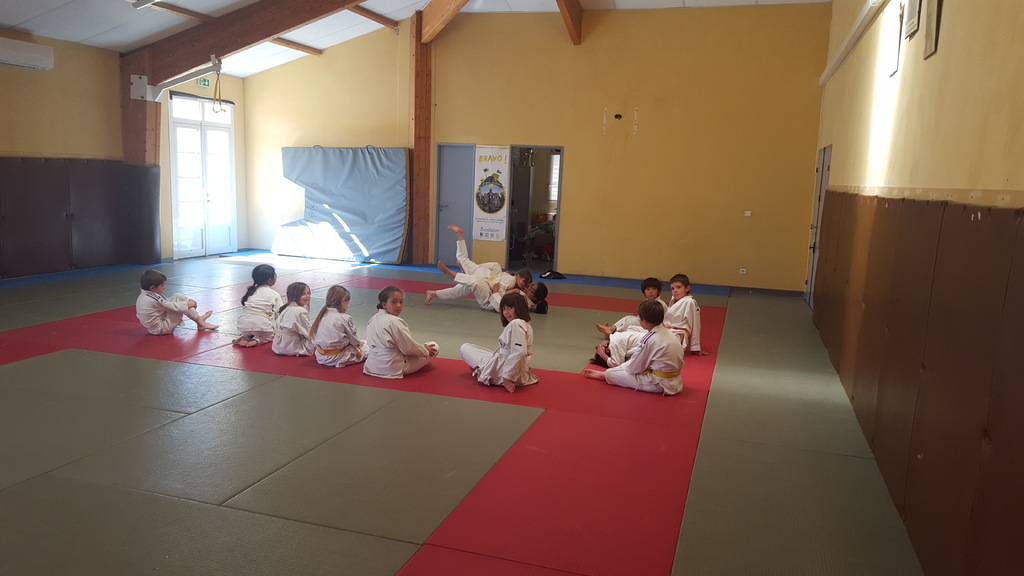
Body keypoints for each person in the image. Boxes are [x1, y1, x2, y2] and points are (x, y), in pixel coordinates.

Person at [583, 300, 683, 395]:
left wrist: (617, 370)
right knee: (625, 365)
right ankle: (609, 373)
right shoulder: (670, 333)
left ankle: (605, 375)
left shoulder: (649, 339)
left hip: (659, 384)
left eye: (639, 318)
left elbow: (634, 368)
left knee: (612, 374)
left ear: (644, 321)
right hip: (676, 381)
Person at [425, 225, 533, 311]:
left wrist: (510, 290)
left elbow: (498, 292)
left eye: (527, 284)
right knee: (462, 286)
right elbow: (500, 288)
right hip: (486, 279)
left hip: (488, 293)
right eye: (524, 281)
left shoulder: (515, 287)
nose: (525, 285)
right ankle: (435, 292)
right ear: (518, 276)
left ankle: (453, 272)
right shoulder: (511, 281)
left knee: (471, 278)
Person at [460, 293, 539, 393]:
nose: (506, 312)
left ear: (519, 307)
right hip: (517, 369)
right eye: (504, 309)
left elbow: (520, 352)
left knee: (465, 347)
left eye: (509, 308)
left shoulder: (516, 324)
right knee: (481, 351)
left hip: (505, 371)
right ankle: (482, 365)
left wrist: (507, 377)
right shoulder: (526, 324)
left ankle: (482, 368)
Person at [363, 286, 438, 378]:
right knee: (434, 346)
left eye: (401, 302)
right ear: (384, 304)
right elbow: (408, 349)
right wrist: (425, 350)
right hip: (392, 367)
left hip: (372, 366)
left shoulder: (373, 319)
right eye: (394, 302)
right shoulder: (395, 321)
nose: (398, 305)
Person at [135, 269, 218, 335]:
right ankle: (201, 323)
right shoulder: (153, 298)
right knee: (180, 305)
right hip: (161, 328)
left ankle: (199, 320)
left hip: (156, 326)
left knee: (178, 296)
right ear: (152, 288)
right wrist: (190, 304)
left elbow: (167, 303)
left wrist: (187, 304)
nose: (164, 288)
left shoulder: (145, 295)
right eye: (162, 285)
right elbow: (173, 307)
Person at [309, 285, 369, 367]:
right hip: (338, 357)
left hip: (321, 356)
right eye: (348, 302)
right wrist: (362, 343)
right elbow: (354, 341)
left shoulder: (321, 315)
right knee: (368, 348)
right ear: (343, 301)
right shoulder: (344, 318)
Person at [595, 276, 666, 335]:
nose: (651, 291)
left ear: (659, 291)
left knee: (630, 326)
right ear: (644, 292)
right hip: (644, 323)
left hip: (653, 326)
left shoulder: (660, 304)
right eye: (648, 289)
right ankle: (612, 330)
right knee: (628, 319)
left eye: (654, 289)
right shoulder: (646, 302)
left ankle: (612, 332)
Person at [235, 264, 282, 347]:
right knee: (271, 335)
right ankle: (258, 340)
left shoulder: (251, 292)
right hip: (261, 326)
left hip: (242, 325)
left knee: (249, 328)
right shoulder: (274, 294)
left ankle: (245, 337)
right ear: (270, 280)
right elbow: (280, 314)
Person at [272, 282, 315, 356]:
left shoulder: (286, 308)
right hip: (291, 346)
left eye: (308, 293)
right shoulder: (300, 311)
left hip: (278, 345)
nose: (307, 296)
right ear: (294, 296)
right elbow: (307, 333)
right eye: (303, 294)